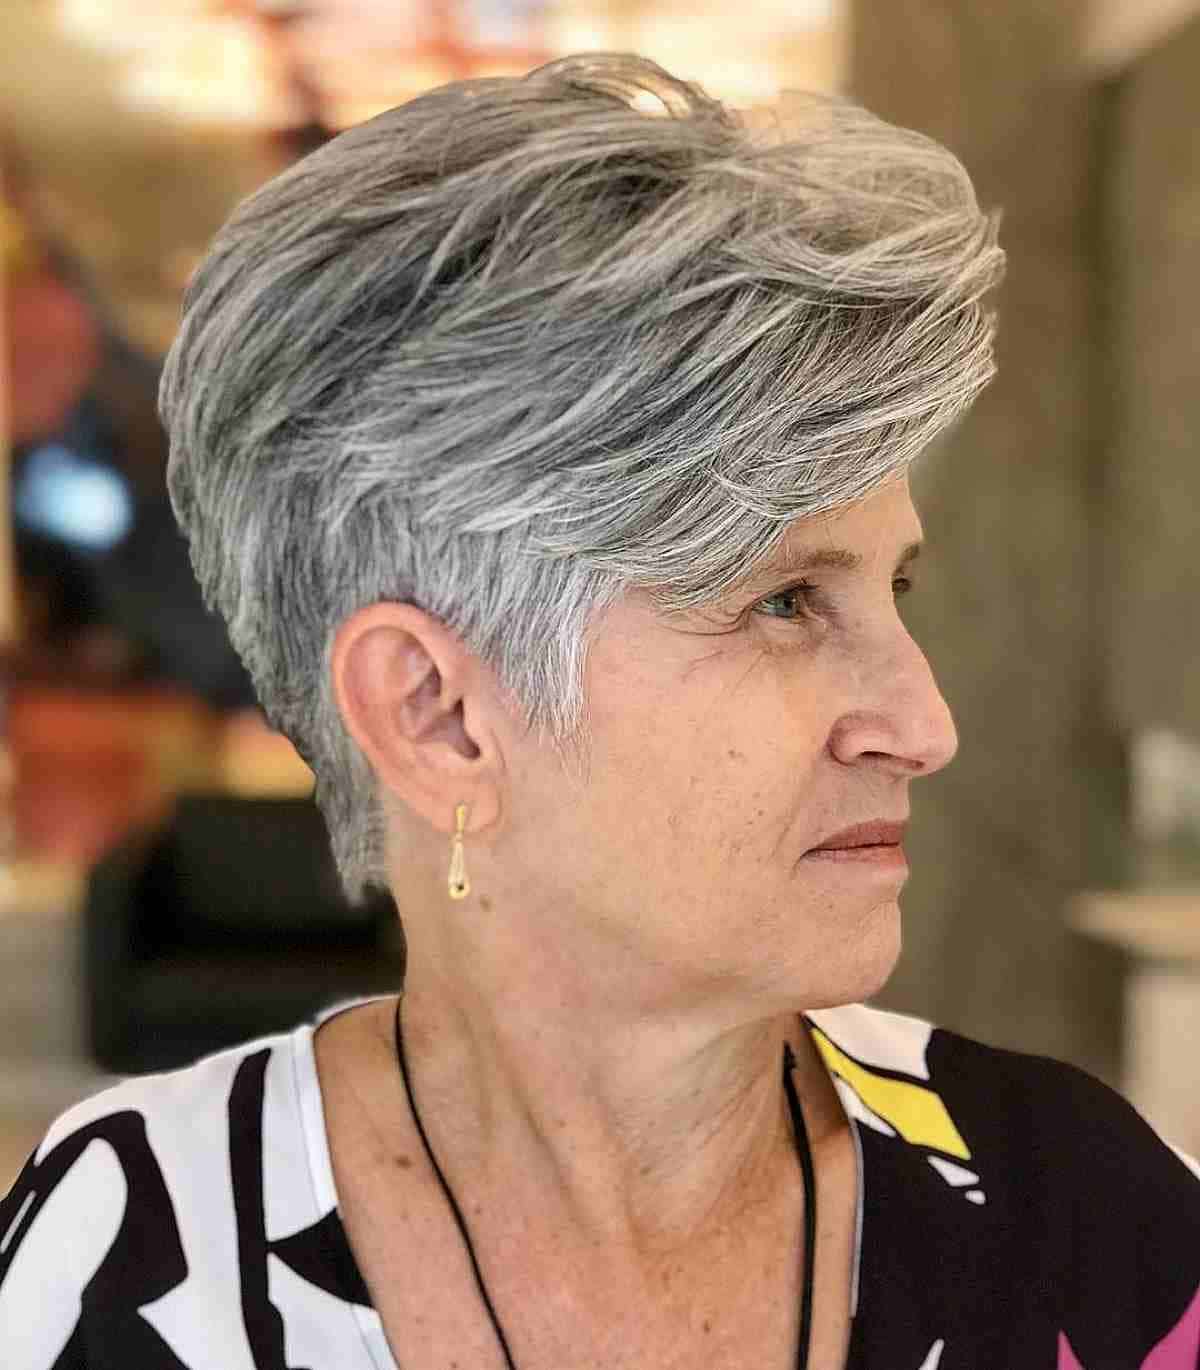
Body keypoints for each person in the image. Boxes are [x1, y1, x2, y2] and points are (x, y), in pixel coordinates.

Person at [2, 51, 1198, 1370]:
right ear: (438, 715)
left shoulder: (1085, 1227)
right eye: (787, 601)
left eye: (895, 585)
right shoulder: (120, 1267)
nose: (924, 724)